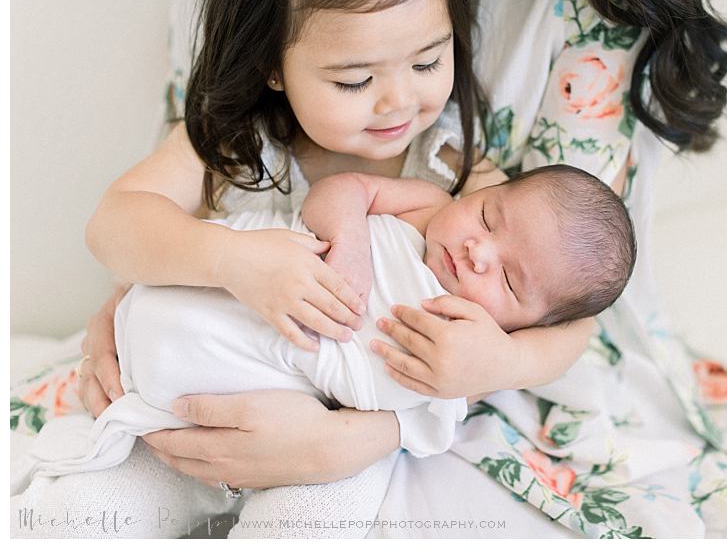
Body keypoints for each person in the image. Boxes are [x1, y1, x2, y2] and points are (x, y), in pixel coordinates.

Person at [69, 0, 727, 540]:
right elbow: (116, 225)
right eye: (353, 80)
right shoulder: (235, 139)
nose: (400, 100)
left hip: (340, 433)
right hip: (184, 397)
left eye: (430, 60)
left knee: (324, 513)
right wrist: (227, 261)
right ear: (275, 67)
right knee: (90, 508)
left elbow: (564, 315)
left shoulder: (457, 171)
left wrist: (487, 368)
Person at [14, 165, 636, 538]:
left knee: (320, 513)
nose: (478, 251)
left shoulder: (467, 345)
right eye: (488, 218)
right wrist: (351, 241)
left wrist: (487, 368)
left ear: (521, 324)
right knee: (75, 515)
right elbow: (346, 189)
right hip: (165, 359)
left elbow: (426, 419)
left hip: (299, 425)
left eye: (508, 280)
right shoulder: (429, 209)